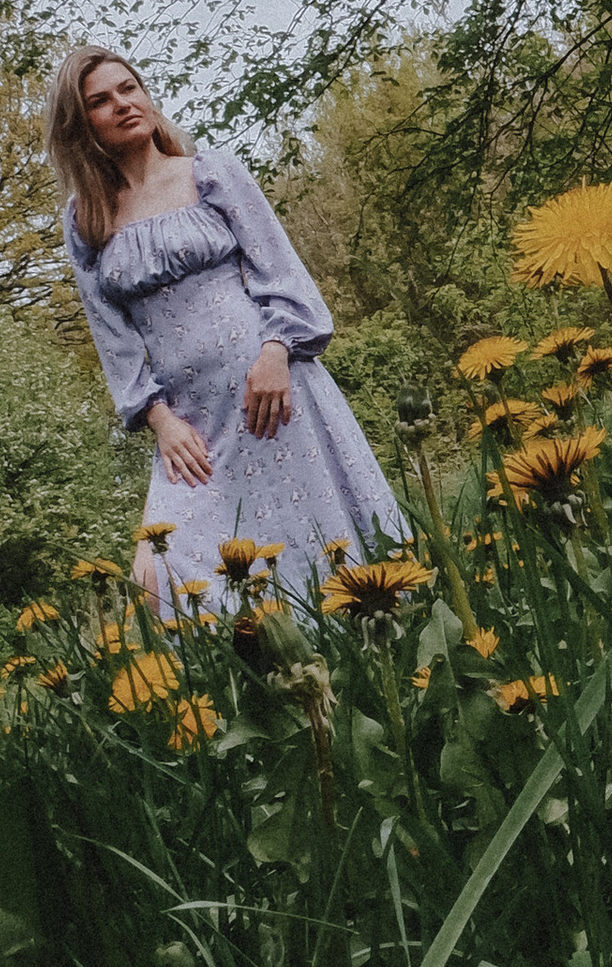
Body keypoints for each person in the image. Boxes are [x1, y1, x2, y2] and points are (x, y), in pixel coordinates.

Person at [48, 43, 402, 615]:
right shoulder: (85, 216)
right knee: (159, 573)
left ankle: (361, 667)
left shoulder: (210, 173)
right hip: (191, 429)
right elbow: (111, 336)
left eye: (129, 88)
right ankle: (252, 691)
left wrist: (276, 352)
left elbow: (281, 273)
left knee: (321, 543)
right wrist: (159, 420)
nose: (122, 104)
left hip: (274, 395)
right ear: (79, 123)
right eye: (100, 101)